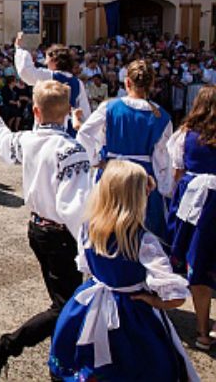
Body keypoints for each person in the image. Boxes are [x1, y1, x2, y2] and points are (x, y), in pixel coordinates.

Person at [0, 80, 92, 382]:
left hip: (38, 229)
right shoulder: (70, 148)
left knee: (63, 300)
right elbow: (74, 206)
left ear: (35, 111)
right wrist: (89, 247)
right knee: (66, 304)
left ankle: (59, 357)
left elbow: (3, 145)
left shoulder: (29, 140)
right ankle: (4, 347)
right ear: (67, 112)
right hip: (60, 233)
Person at [49, 161, 197, 381]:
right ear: (138, 199)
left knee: (91, 362)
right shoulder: (143, 241)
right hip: (132, 312)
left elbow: (86, 266)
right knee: (137, 363)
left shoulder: (88, 228)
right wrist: (154, 301)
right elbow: (175, 297)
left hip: (91, 304)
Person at [76, 60, 173, 238]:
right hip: (143, 178)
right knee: (141, 230)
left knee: (107, 222)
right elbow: (162, 159)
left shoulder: (110, 107)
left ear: (127, 82)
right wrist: (165, 189)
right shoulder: (162, 117)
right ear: (151, 84)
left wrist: (96, 161)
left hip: (112, 171)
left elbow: (84, 134)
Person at [166, 85, 216, 351]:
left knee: (199, 266)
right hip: (205, 202)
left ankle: (202, 330)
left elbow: (176, 173)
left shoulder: (185, 135)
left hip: (197, 205)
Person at [15, 32, 91, 136]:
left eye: (47, 59)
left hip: (48, 127)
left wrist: (19, 49)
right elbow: (84, 111)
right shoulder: (77, 82)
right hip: (69, 130)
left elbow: (26, 72)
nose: (45, 63)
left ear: (55, 61)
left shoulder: (49, 76)